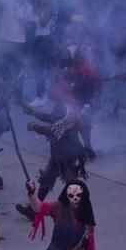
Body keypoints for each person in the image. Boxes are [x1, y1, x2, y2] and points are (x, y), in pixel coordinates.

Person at [16, 79, 87, 221]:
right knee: (49, 178)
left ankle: (79, 212)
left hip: (67, 152)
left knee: (70, 182)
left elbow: (54, 129)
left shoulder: (68, 108)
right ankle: (34, 210)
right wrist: (33, 113)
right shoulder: (62, 105)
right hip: (60, 151)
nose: (51, 92)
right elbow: (53, 118)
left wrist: (34, 126)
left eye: (55, 90)